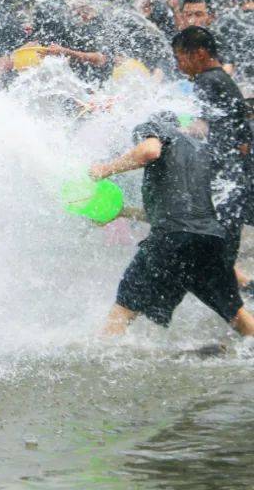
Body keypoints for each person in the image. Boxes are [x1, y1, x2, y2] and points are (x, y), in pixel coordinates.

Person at [93, 112, 254, 337]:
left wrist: (104, 169)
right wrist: (122, 212)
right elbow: (178, 213)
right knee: (235, 314)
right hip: (210, 238)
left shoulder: (155, 127)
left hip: (170, 238)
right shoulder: (200, 150)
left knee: (124, 308)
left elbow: (148, 151)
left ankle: (104, 350)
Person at [171, 27, 252, 276]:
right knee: (223, 248)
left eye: (180, 57)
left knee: (215, 253)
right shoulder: (221, 79)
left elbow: (201, 128)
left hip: (224, 178)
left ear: (200, 53)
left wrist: (169, 131)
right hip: (236, 175)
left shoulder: (206, 81)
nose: (178, 65)